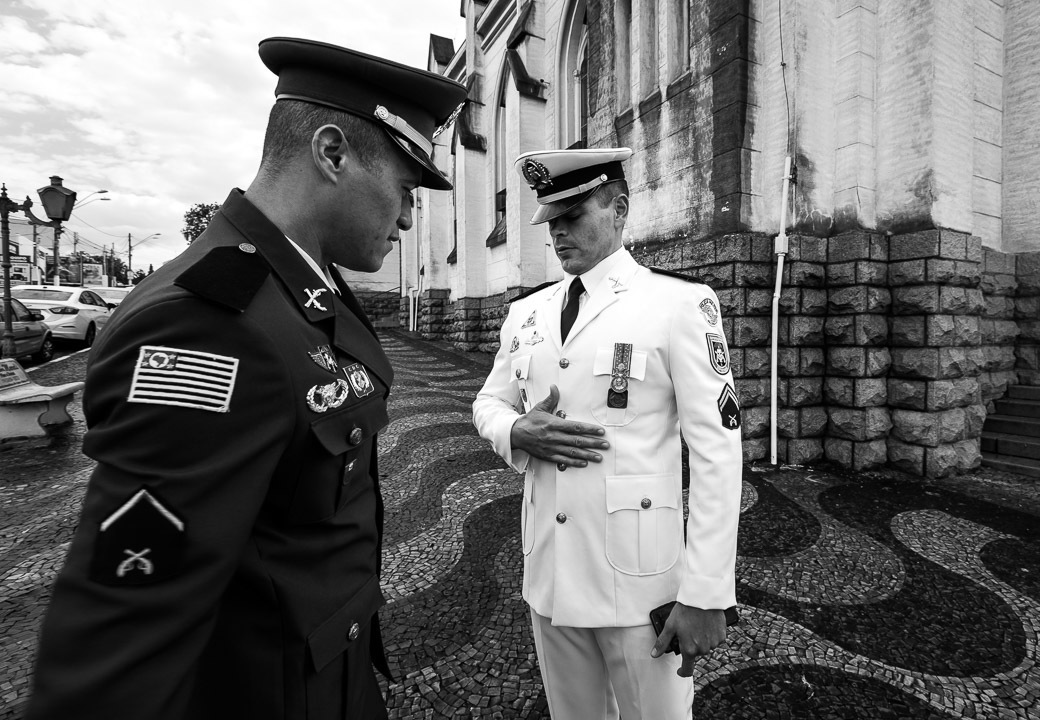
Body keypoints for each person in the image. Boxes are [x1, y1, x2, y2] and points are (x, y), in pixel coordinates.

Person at [27, 37, 466, 720]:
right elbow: (125, 631)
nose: (410, 216)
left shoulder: (306, 285)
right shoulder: (207, 323)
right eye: (406, 188)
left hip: (329, 676)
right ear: (331, 152)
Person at [472, 148, 743, 720]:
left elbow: (718, 449)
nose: (559, 233)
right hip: (548, 576)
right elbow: (488, 402)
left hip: (640, 585)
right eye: (552, 221)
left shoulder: (677, 305)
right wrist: (518, 430)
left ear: (618, 210)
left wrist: (707, 594)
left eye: (573, 216)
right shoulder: (527, 314)